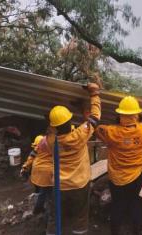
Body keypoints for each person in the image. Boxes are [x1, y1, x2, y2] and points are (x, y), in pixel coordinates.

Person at [45, 82, 101, 235]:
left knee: (54, 216)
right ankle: (80, 231)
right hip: (79, 183)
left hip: (59, 185)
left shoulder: (50, 140)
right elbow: (95, 118)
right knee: (81, 214)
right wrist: (94, 94)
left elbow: (50, 129)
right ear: (70, 121)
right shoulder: (79, 135)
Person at [95, 96, 142, 235]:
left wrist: (108, 142)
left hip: (117, 178)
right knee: (135, 203)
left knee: (117, 205)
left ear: (120, 114)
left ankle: (116, 232)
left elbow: (98, 128)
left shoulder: (111, 131)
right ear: (136, 115)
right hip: (137, 175)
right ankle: (136, 231)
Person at [21, 135, 53, 214]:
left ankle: (38, 208)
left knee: (42, 191)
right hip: (47, 174)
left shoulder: (36, 150)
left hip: (37, 174)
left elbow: (30, 159)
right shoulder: (52, 148)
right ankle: (41, 210)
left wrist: (24, 168)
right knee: (47, 194)